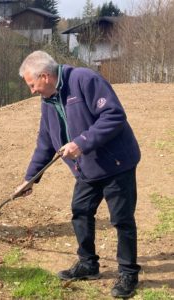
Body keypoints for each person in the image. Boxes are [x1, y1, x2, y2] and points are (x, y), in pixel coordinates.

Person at [16, 50, 141, 298]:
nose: (32, 91)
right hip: (86, 169)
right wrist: (30, 179)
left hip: (116, 164)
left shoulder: (84, 79)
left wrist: (81, 142)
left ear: (45, 76)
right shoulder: (48, 100)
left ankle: (128, 273)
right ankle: (88, 264)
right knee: (81, 211)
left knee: (121, 219)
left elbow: (114, 115)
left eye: (32, 85)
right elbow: (45, 141)